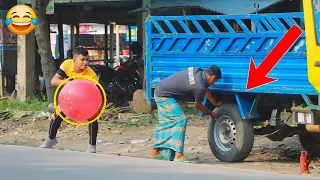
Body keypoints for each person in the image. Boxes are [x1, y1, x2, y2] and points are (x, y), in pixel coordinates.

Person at [149, 65, 224, 162]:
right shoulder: (199, 87)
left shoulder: (198, 71)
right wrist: (210, 112)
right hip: (163, 96)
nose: (214, 83)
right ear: (213, 77)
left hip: (161, 90)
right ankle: (178, 155)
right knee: (181, 119)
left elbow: (207, 91)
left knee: (166, 122)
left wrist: (215, 103)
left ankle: (155, 152)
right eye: (215, 81)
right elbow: (198, 105)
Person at [39, 47, 100, 153]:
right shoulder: (67, 64)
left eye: (87, 60)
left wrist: (97, 107)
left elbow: (96, 94)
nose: (85, 63)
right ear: (74, 60)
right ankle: (51, 139)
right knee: (58, 113)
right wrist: (68, 83)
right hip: (69, 97)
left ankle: (92, 145)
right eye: (82, 60)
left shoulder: (91, 75)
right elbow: (54, 81)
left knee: (93, 116)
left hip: (84, 99)